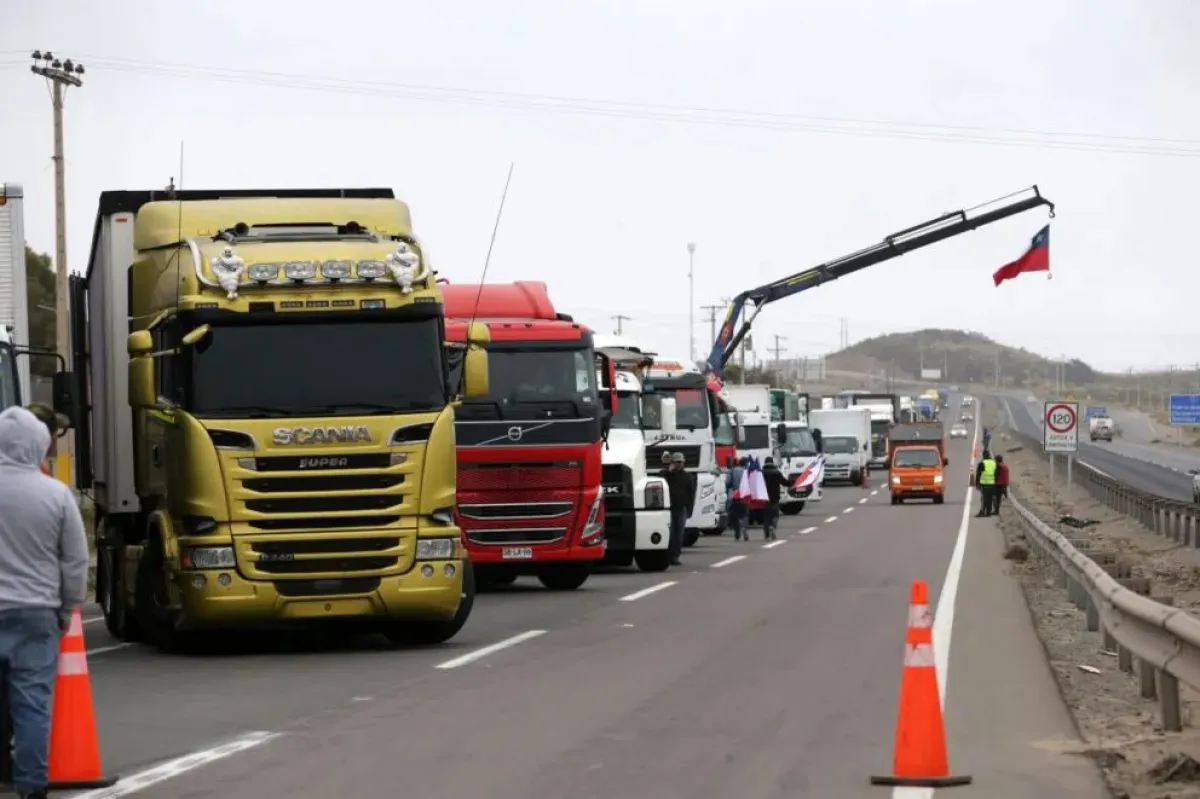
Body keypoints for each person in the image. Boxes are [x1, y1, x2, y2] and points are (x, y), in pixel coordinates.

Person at [0, 406, 89, 799]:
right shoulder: (55, 495)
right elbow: (75, 559)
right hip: (36, 612)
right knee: (32, 704)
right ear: (40, 443)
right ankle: (31, 788)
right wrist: (67, 605)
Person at [658, 452, 694, 566]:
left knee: (679, 534)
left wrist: (689, 509)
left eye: (680, 462)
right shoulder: (666, 474)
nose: (678, 464)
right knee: (670, 533)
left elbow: (691, 494)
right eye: (676, 462)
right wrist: (669, 471)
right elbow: (660, 480)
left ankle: (675, 556)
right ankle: (667, 556)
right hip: (669, 509)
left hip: (681, 508)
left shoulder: (688, 477)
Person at [760, 457, 789, 540]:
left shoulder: (761, 473)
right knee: (775, 515)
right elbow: (784, 482)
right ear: (772, 463)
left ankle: (766, 535)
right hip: (775, 497)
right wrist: (794, 482)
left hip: (764, 498)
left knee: (766, 517)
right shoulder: (777, 473)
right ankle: (772, 526)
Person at [725, 456, 747, 541]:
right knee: (744, 513)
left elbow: (728, 483)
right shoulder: (746, 471)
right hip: (745, 495)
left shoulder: (732, 471)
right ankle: (744, 527)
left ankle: (737, 530)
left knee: (733, 514)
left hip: (735, 494)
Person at [974, 449, 998, 517]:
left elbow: (978, 475)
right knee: (990, 498)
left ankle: (982, 511)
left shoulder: (982, 463)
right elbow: (996, 473)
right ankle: (988, 512)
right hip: (992, 484)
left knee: (984, 498)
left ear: (983, 455)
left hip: (984, 484)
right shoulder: (993, 463)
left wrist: (977, 484)